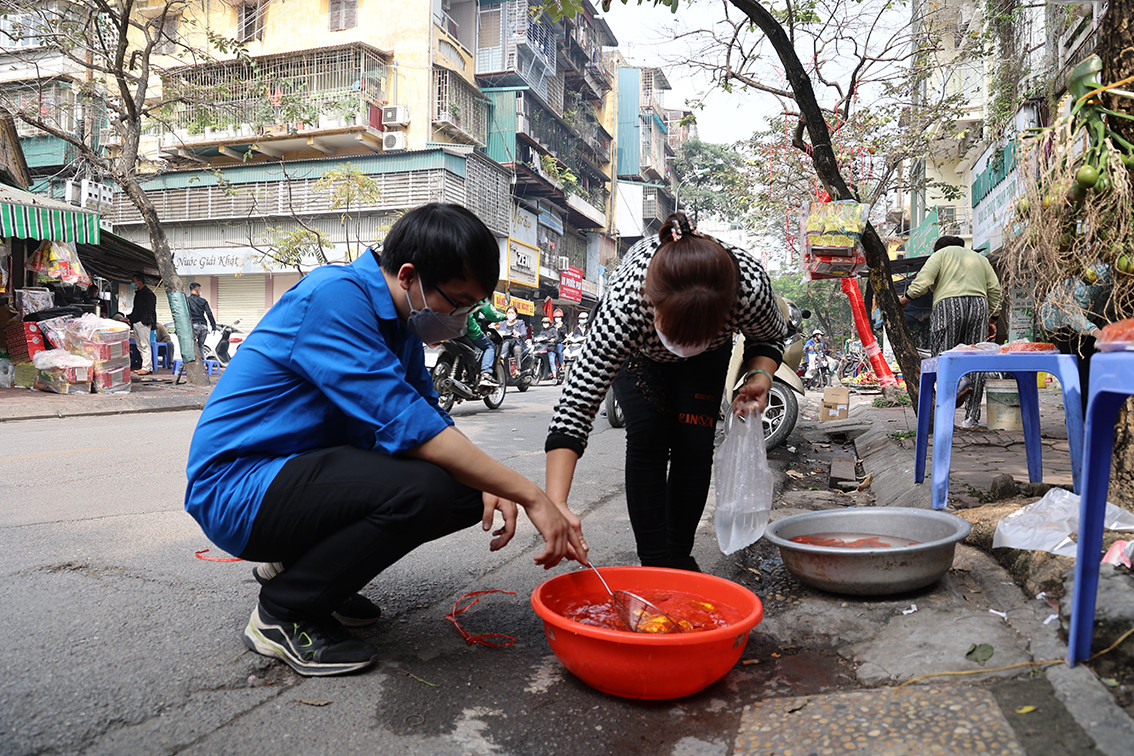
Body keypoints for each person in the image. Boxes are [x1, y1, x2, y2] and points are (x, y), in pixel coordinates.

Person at [184, 203, 586, 677]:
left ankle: (308, 574)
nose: (460, 316)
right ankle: (284, 612)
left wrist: (495, 482)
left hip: (298, 476)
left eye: (471, 306)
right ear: (410, 275)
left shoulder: (402, 329)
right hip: (239, 488)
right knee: (431, 488)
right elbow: (411, 430)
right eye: (456, 300)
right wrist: (530, 493)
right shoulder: (335, 299)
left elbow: (430, 417)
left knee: (469, 492)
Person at [545, 212, 788, 572]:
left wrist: (760, 375)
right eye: (677, 335)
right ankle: (656, 562)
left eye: (696, 337)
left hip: (707, 359)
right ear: (653, 307)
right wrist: (556, 503)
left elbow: (769, 337)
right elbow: (576, 406)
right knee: (649, 436)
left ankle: (679, 555)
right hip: (640, 355)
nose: (683, 346)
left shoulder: (747, 287)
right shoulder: (626, 307)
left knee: (695, 441)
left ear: (727, 313)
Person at [898, 235, 1001, 428]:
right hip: (979, 305)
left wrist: (906, 298)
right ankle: (972, 418)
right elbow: (995, 289)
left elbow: (924, 280)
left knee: (943, 355)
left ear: (938, 248)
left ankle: (946, 413)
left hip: (948, 304)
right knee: (976, 358)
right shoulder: (980, 259)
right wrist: (993, 318)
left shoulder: (940, 255)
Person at [1040, 263, 1113, 412]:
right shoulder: (1095, 276)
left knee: (1092, 371)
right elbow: (1072, 313)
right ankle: (1079, 421)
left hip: (1089, 320)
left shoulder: (1120, 281)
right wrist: (1096, 332)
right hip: (1061, 322)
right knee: (1081, 373)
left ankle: (1089, 418)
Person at [465, 300, 505, 383]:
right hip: (466, 328)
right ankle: (486, 373)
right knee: (489, 346)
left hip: (442, 327)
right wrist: (503, 316)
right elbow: (490, 313)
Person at [125, 272, 157, 376]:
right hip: (137, 322)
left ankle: (146, 367)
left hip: (143, 323)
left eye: (134, 282)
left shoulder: (148, 294)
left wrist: (144, 321)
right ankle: (148, 366)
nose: (132, 284)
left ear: (139, 282)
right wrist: (129, 318)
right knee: (140, 346)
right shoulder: (138, 294)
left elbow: (150, 309)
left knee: (144, 345)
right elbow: (136, 310)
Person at [187, 282, 218, 362]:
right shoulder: (203, 301)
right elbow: (209, 314)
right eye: (200, 289)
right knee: (201, 345)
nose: (200, 291)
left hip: (193, 325)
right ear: (197, 290)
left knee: (192, 345)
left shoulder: (187, 300)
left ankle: (192, 363)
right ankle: (202, 362)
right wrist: (213, 326)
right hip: (204, 326)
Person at [495, 306, 528, 374]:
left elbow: (524, 333)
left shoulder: (520, 322)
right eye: (509, 312)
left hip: (516, 342)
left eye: (512, 312)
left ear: (516, 314)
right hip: (505, 342)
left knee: (517, 349)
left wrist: (519, 334)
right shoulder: (502, 323)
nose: (510, 314)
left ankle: (517, 369)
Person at [538, 314, 562, 380]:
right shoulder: (542, 331)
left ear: (549, 323)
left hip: (551, 348)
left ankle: (554, 377)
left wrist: (553, 340)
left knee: (551, 361)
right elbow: (540, 337)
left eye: (546, 323)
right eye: (544, 323)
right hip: (543, 349)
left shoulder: (553, 330)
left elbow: (556, 337)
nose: (545, 324)